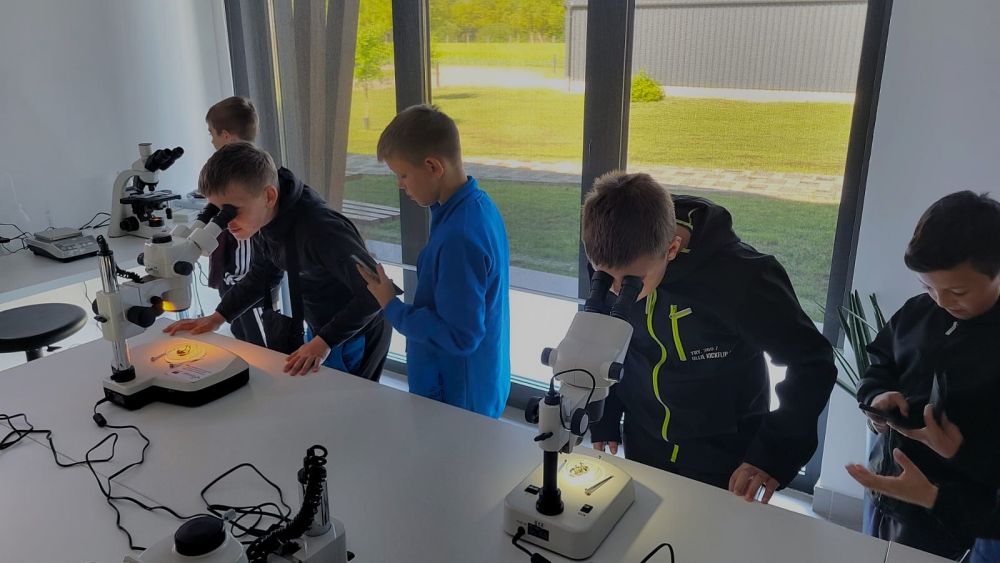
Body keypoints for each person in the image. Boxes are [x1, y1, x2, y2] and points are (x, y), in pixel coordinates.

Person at [582, 171, 836, 504]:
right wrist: (605, 411)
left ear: (672, 248)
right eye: (605, 278)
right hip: (643, 437)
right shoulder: (612, 253)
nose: (617, 292)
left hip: (723, 451)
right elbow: (610, 336)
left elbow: (812, 362)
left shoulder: (743, 278)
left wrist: (774, 450)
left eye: (631, 283)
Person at [853, 191, 1000, 559]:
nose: (942, 302)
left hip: (958, 516)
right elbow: (879, 362)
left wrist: (959, 453)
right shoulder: (919, 312)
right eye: (928, 287)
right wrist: (876, 397)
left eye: (958, 291)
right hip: (886, 488)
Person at [165, 142, 387, 377]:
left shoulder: (320, 230)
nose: (226, 223)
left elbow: (378, 292)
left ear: (269, 196)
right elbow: (264, 274)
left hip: (355, 333)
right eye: (219, 212)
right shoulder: (266, 216)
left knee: (344, 398)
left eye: (232, 211)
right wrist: (218, 317)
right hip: (322, 326)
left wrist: (324, 342)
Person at [357, 105, 511, 418]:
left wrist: (392, 306)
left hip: (458, 400)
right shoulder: (475, 207)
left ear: (432, 166)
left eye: (402, 174)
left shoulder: (459, 235)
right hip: (470, 386)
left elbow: (460, 336)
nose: (400, 184)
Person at [204, 96, 265, 346]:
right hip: (233, 277)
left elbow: (248, 245)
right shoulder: (236, 172)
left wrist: (236, 278)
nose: (211, 140)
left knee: (257, 342)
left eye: (212, 134)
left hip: (243, 278)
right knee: (241, 334)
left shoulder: (246, 177)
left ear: (226, 136)